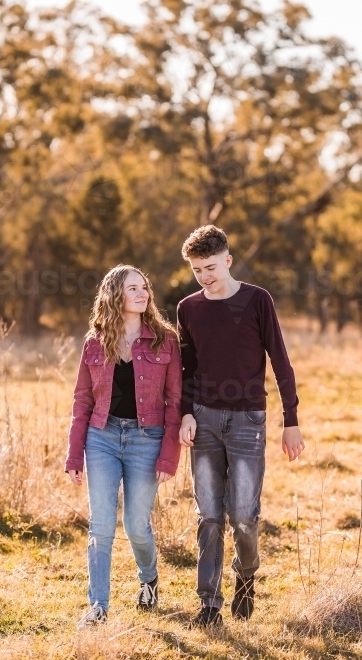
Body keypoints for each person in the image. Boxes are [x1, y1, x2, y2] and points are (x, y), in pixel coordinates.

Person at [176, 225, 306, 627]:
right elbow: (186, 368)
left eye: (211, 267)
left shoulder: (257, 301)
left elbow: (281, 362)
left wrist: (291, 422)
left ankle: (245, 578)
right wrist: (185, 412)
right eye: (197, 270)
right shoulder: (188, 308)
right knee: (209, 516)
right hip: (205, 419)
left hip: (249, 419)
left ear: (228, 260)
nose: (205, 277)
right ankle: (209, 606)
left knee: (244, 517)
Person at [65, 265, 182, 628]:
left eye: (144, 287)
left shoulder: (165, 340)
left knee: (136, 525)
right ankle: (98, 607)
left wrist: (169, 455)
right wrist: (74, 453)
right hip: (101, 438)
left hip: (146, 439)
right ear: (116, 295)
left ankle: (148, 579)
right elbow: (82, 399)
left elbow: (175, 402)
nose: (142, 293)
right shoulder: (95, 341)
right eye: (133, 288)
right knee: (101, 525)